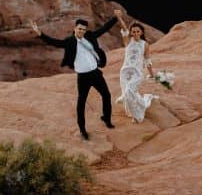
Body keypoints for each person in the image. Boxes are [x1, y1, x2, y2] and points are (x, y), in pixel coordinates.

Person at [30, 10, 120, 140]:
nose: (81, 31)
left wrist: (115, 18)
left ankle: (106, 118)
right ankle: (82, 130)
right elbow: (55, 42)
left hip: (96, 73)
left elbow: (103, 29)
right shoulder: (70, 42)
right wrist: (40, 34)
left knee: (106, 95)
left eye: (83, 29)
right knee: (81, 102)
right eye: (79, 29)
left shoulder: (89, 37)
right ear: (74, 28)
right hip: (83, 77)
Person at [115, 14, 155, 123]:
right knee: (131, 95)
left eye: (138, 31)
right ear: (131, 32)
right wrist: (119, 17)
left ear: (141, 32)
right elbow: (123, 28)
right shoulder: (127, 41)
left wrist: (151, 74)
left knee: (129, 91)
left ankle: (138, 115)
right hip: (125, 72)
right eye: (133, 31)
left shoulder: (145, 44)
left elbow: (147, 60)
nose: (136, 33)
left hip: (137, 73)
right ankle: (135, 114)